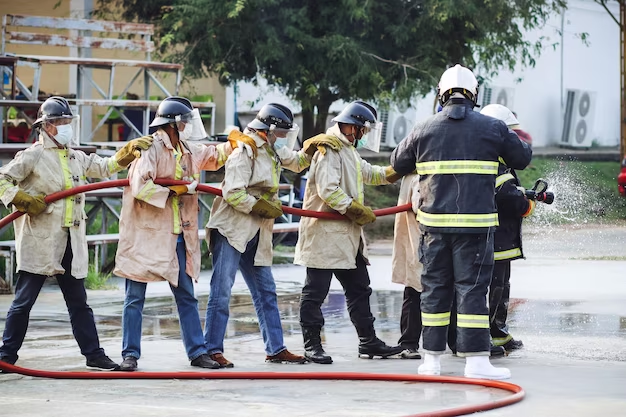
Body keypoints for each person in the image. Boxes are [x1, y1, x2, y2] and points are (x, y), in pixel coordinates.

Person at [391, 64, 532, 380]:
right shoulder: (492, 128)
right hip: (475, 229)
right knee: (472, 291)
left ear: (441, 94)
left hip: (433, 229)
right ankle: (477, 363)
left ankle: (431, 361)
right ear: (474, 94)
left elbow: (397, 163)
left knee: (435, 291)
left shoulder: (424, 128)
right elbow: (522, 157)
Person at [0, 96, 152, 371]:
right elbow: (2, 179)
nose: (65, 126)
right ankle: (6, 357)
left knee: (79, 304)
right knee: (23, 303)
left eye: (67, 121)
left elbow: (104, 167)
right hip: (41, 241)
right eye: (60, 122)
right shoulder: (33, 155)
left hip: (71, 242)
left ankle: (94, 355)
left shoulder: (75, 156)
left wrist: (127, 152)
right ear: (46, 126)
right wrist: (19, 198)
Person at [114, 96, 256, 371]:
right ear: (174, 124)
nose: (189, 125)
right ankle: (130, 354)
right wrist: (173, 190)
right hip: (147, 235)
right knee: (134, 297)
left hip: (178, 234)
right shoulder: (151, 148)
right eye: (186, 121)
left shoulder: (188, 148)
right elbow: (140, 186)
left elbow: (213, 156)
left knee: (186, 295)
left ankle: (197, 351)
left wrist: (236, 143)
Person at [294, 100, 404, 364]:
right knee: (315, 292)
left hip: (347, 237)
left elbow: (370, 173)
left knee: (359, 290)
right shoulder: (329, 149)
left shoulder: (349, 150)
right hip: (324, 234)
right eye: (363, 130)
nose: (364, 136)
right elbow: (328, 190)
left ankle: (368, 342)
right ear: (353, 127)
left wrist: (398, 169)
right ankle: (312, 346)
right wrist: (355, 210)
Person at [204, 103, 310, 367]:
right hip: (232, 228)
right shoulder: (245, 151)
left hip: (257, 231)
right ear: (269, 130)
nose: (285, 138)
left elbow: (297, 162)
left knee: (266, 291)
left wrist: (316, 148)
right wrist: (258, 205)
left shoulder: (272, 149)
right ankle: (211, 349)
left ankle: (276, 348)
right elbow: (233, 193)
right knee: (222, 291)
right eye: (282, 132)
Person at [480, 104, 534, 352]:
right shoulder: (493, 163)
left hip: (502, 241)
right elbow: (507, 196)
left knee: (502, 288)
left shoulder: (501, 162)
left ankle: (499, 333)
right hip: (494, 241)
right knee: (492, 289)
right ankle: (486, 336)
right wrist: (526, 203)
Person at [391, 173, 423, 359]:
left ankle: (408, 343)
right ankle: (408, 343)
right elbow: (422, 205)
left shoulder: (411, 173)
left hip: (425, 240)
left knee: (414, 291)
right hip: (423, 240)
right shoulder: (420, 175)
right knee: (415, 292)